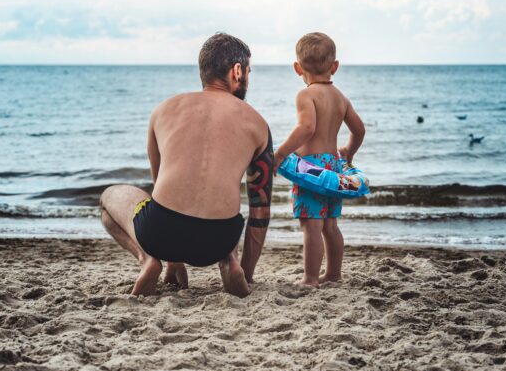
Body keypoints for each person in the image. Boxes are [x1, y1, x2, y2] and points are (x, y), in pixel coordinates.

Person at [99, 33, 273, 297]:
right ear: (237, 71)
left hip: (161, 233)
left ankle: (149, 260)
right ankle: (230, 263)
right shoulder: (258, 124)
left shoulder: (164, 110)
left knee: (108, 199)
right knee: (227, 203)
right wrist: (247, 274)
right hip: (218, 241)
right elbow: (260, 211)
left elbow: (161, 186)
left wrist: (173, 259)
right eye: (248, 71)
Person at [274, 32, 366, 288]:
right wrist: (348, 151)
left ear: (297, 68)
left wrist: (281, 153)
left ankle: (311, 278)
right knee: (330, 224)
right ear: (334, 66)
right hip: (333, 168)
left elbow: (306, 128)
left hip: (311, 170)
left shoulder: (306, 95)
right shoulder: (341, 98)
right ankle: (334, 274)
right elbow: (359, 130)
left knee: (311, 224)